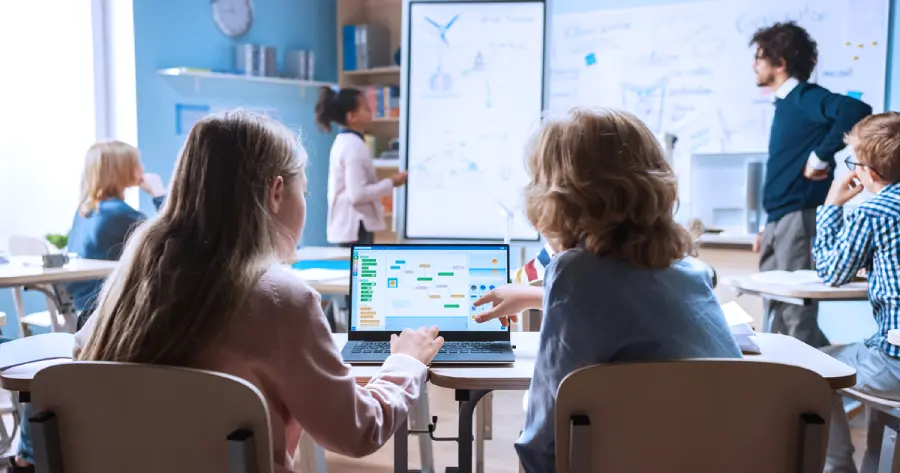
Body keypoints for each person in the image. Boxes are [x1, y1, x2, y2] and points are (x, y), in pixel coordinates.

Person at [73, 110, 443, 472]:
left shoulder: (130, 280)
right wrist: (406, 364)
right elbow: (358, 431)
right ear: (277, 191)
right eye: (305, 191)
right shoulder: (283, 300)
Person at [475, 109, 742, 472]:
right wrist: (538, 295)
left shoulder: (572, 273)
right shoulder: (691, 271)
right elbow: (628, 300)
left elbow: (547, 428)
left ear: (558, 196)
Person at [11, 141, 167, 473]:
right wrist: (158, 191)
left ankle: (26, 454)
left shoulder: (86, 210)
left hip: (75, 308)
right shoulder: (120, 215)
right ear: (123, 170)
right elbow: (170, 237)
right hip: (98, 315)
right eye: (135, 164)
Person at [749, 21, 872, 347]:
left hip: (798, 218)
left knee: (795, 315)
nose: (754, 65)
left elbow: (856, 109)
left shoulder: (804, 96)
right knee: (773, 311)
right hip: (779, 219)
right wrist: (767, 225)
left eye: (760, 57)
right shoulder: (785, 105)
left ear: (780, 63)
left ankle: (818, 390)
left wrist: (821, 154)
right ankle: (787, 385)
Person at [813, 112, 900, 473]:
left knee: (813, 369)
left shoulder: (874, 212)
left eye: (854, 163)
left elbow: (831, 272)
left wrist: (832, 203)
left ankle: (837, 468)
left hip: (895, 363)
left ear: (870, 172)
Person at [315, 86, 407, 247]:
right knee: (362, 272)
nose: (371, 110)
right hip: (356, 226)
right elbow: (357, 194)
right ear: (351, 117)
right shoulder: (353, 146)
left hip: (352, 226)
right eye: (365, 107)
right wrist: (391, 183)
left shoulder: (345, 142)